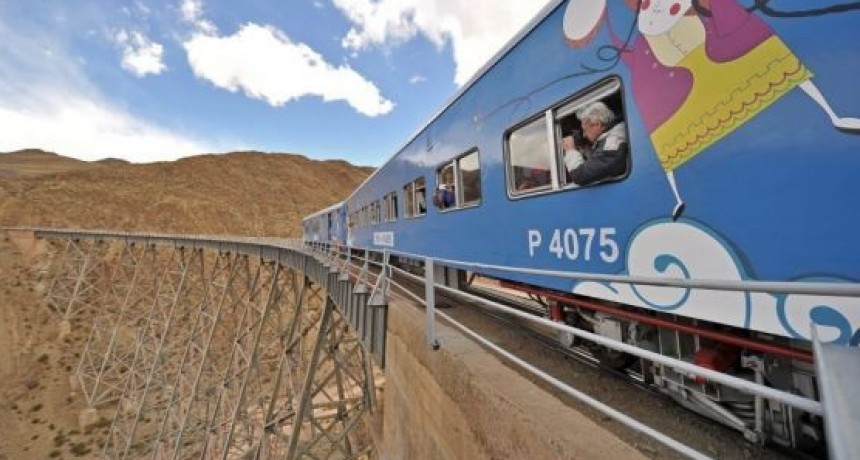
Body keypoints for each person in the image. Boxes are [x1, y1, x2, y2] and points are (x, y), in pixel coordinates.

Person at [565, 101, 628, 186]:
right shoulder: (614, 137)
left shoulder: (613, 142)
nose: (584, 135)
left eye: (585, 130)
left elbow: (579, 175)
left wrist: (570, 150)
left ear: (597, 124)